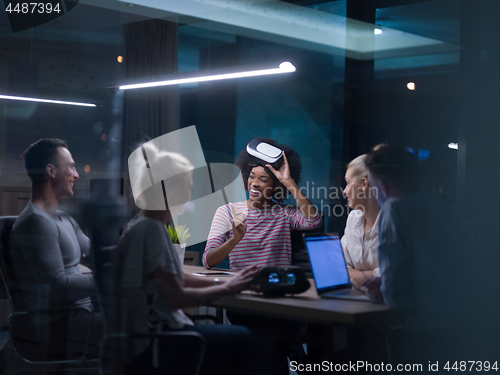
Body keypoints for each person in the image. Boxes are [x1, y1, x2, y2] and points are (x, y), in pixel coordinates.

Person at [118, 143, 261, 375]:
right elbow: (175, 296)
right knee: (246, 338)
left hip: (146, 336)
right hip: (153, 341)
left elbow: (173, 276)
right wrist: (226, 289)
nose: (189, 194)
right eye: (187, 187)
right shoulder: (151, 230)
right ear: (170, 191)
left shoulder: (141, 224)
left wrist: (227, 282)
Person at [360, 144, 477, 362]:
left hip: (429, 339)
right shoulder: (443, 208)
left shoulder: (394, 209)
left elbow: (396, 297)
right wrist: (384, 280)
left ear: (382, 188)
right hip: (467, 331)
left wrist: (382, 288)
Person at [9, 138, 102, 359]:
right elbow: (58, 287)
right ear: (50, 170)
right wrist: (109, 278)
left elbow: (98, 255)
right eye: (70, 166)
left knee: (151, 319)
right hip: (61, 326)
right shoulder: (35, 223)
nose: (76, 175)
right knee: (144, 328)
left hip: (81, 316)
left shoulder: (63, 218)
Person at [203, 138, 322, 270]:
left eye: (263, 179)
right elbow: (208, 261)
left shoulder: (286, 213)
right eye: (252, 176)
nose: (254, 183)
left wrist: (288, 181)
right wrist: (234, 240)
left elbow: (314, 221)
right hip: (239, 286)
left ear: (276, 186)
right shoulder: (228, 212)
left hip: (275, 287)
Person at [341, 153, 381, 285]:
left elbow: (391, 275)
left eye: (347, 183)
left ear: (364, 183)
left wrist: (354, 275)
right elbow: (339, 267)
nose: (344, 191)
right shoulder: (353, 218)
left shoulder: (392, 223)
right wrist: (373, 275)